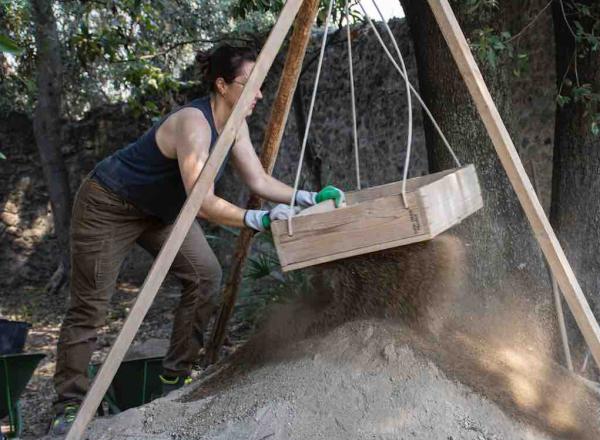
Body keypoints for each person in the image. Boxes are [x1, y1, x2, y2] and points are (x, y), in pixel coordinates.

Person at [48, 44, 345, 435]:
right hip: (109, 204)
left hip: (162, 213)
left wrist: (304, 196)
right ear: (222, 85)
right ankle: (69, 404)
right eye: (249, 83)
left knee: (206, 276)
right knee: (91, 307)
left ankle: (174, 379)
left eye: (260, 84)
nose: (258, 93)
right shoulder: (194, 123)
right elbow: (202, 201)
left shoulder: (234, 125)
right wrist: (256, 218)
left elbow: (257, 180)